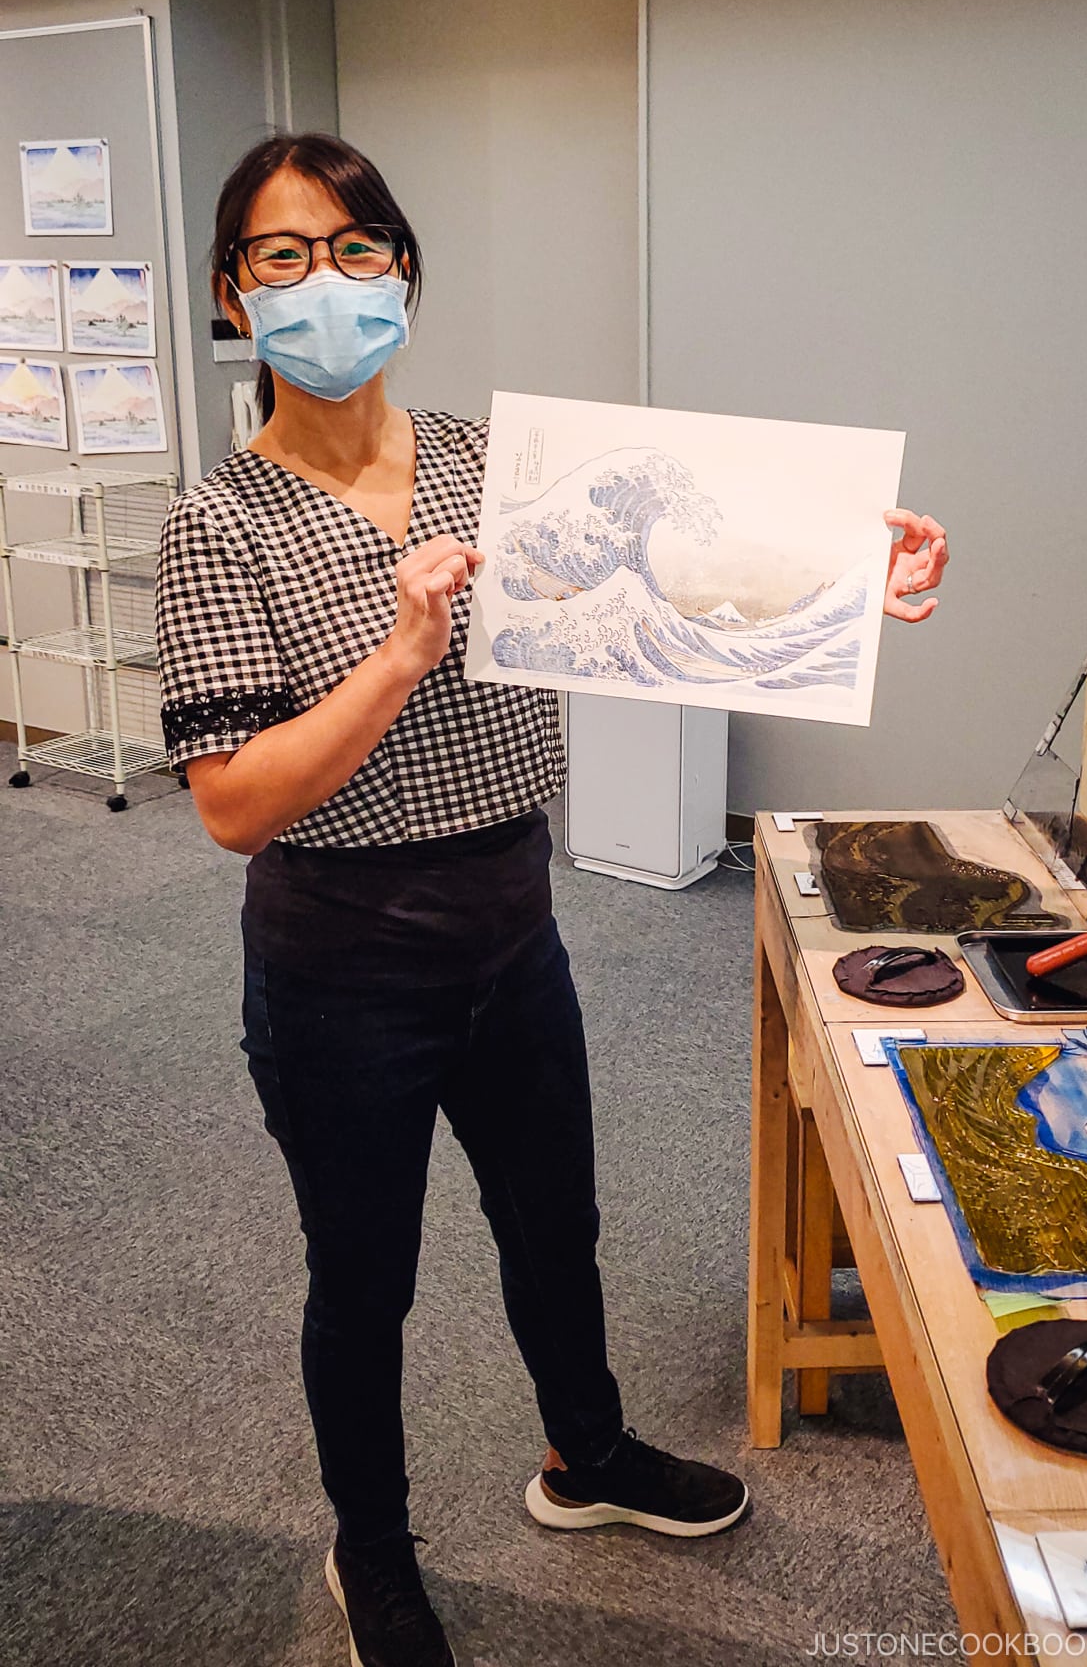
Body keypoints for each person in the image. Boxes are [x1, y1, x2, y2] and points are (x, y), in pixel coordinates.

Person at [154, 132, 950, 1667]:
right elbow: (234, 804)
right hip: (341, 967)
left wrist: (866, 563)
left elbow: (679, 545)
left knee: (554, 1226)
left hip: (513, 931)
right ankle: (369, 1554)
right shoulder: (222, 522)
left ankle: (586, 1458)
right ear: (231, 293)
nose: (329, 282)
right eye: (284, 255)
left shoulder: (485, 465)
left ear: (403, 273)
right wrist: (394, 659)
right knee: (364, 1281)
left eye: (359, 247)